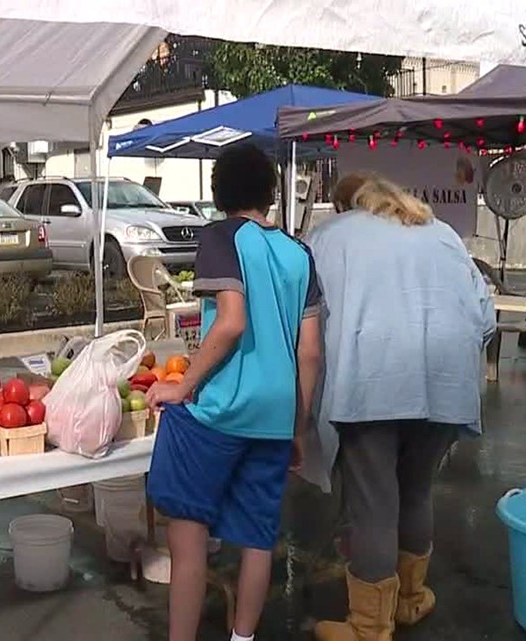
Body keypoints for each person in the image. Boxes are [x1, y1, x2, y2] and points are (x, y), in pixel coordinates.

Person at [145, 143, 322, 641]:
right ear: (270, 193)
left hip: (220, 411)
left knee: (188, 534)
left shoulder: (222, 236)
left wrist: (184, 384)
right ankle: (242, 638)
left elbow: (231, 323)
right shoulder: (299, 253)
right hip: (275, 415)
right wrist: (298, 429)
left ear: (219, 192)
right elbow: (310, 352)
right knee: (257, 536)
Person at [307, 174, 495, 641]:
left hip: (374, 380)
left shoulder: (331, 236)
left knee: (374, 504)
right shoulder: (441, 232)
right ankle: (410, 601)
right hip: (446, 378)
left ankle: (371, 627)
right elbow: (484, 314)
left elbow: (306, 315)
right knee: (414, 492)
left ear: (343, 204)